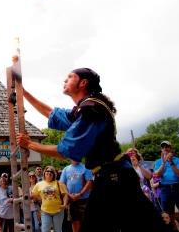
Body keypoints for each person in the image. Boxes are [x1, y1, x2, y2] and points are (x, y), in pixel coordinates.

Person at [17, 67, 165, 232]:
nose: (65, 80)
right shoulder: (86, 108)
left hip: (115, 179)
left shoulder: (91, 109)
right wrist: (24, 93)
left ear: (83, 83)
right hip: (112, 177)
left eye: (70, 77)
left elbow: (66, 150)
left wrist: (30, 144)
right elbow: (52, 114)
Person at [59, 160, 93, 232]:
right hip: (71, 200)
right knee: (74, 221)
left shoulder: (85, 168)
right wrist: (69, 194)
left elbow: (89, 182)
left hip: (84, 200)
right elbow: (62, 183)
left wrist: (80, 194)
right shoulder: (66, 169)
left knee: (86, 222)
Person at [32, 166, 68, 232]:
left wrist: (65, 204)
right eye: (47, 171)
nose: (49, 172)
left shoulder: (59, 183)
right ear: (44, 173)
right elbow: (33, 195)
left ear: (54, 174)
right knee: (45, 230)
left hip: (58, 211)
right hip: (45, 211)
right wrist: (39, 199)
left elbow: (65, 194)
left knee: (58, 230)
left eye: (51, 171)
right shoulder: (39, 184)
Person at [154, 141, 179, 218]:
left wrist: (171, 161)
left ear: (171, 148)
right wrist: (163, 163)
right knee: (168, 214)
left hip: (178, 187)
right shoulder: (158, 162)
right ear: (161, 150)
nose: (165, 148)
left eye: (167, 146)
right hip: (165, 188)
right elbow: (157, 175)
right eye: (163, 147)